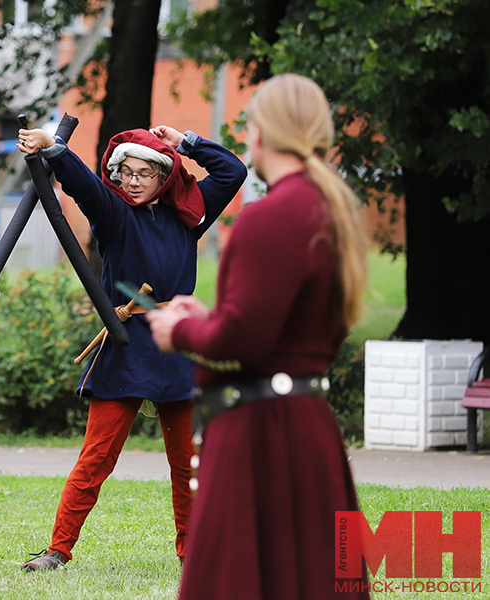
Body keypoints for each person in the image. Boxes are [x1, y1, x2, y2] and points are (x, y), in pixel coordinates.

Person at [147, 74, 370, 599]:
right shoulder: (332, 212)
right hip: (307, 429)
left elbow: (241, 341)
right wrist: (210, 315)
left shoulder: (270, 217)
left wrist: (181, 329)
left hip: (261, 436)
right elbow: (279, 329)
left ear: (262, 132)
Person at [15, 123, 247, 570]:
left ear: (164, 178)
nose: (135, 180)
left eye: (145, 173)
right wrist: (53, 146)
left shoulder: (189, 216)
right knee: (96, 458)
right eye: (127, 172)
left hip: (177, 346)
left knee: (190, 465)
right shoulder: (114, 212)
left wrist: (187, 143)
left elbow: (233, 171)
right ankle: (58, 550)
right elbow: (82, 182)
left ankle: (193, 552)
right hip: (127, 345)